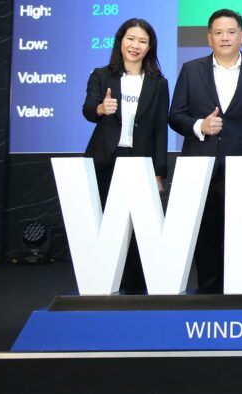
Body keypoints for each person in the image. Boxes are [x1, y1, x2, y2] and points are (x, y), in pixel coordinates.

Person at [168, 9, 242, 293]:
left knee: (241, 236)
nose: (225, 37)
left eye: (231, 32)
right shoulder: (191, 70)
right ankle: (209, 296)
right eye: (218, 33)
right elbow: (175, 115)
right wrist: (200, 125)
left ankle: (239, 296)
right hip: (200, 166)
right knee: (205, 234)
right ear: (209, 38)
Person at [82, 17, 169, 293]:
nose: (135, 45)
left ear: (149, 47)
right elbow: (87, 110)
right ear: (120, 41)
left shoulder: (158, 83)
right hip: (105, 159)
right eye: (131, 39)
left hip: (140, 160)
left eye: (143, 41)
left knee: (138, 227)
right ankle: (105, 284)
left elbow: (160, 130)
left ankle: (135, 287)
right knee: (105, 224)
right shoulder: (101, 75)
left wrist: (159, 172)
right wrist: (101, 109)